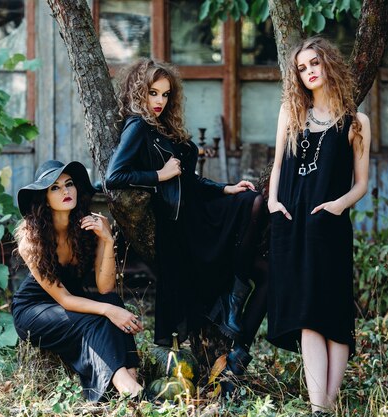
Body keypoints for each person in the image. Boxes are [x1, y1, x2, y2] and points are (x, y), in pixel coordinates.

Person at [105, 58, 268, 395]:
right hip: (181, 224)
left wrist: (224, 188)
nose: (159, 101)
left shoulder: (165, 127)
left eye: (165, 94)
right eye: (153, 92)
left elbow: (190, 182)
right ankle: (233, 301)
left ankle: (235, 304)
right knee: (254, 209)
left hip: (198, 208)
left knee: (253, 202)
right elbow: (114, 176)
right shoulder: (138, 127)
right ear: (139, 91)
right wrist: (158, 176)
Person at [267, 37, 371, 415]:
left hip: (330, 226)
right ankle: (319, 408)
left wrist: (337, 206)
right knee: (307, 312)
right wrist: (272, 202)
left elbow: (361, 183)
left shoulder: (357, 123)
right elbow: (278, 166)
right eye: (302, 67)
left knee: (335, 313)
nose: (309, 71)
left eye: (314, 63)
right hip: (292, 223)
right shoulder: (290, 114)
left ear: (328, 65)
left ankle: (327, 404)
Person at [11, 160, 144, 402]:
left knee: (112, 301)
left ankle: (131, 378)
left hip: (71, 304)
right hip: (35, 310)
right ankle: (127, 386)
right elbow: (64, 298)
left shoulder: (86, 226)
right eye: (55, 187)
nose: (65, 191)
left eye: (69, 184)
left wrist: (106, 240)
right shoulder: (31, 238)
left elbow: (105, 288)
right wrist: (110, 311)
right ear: (44, 197)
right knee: (101, 316)